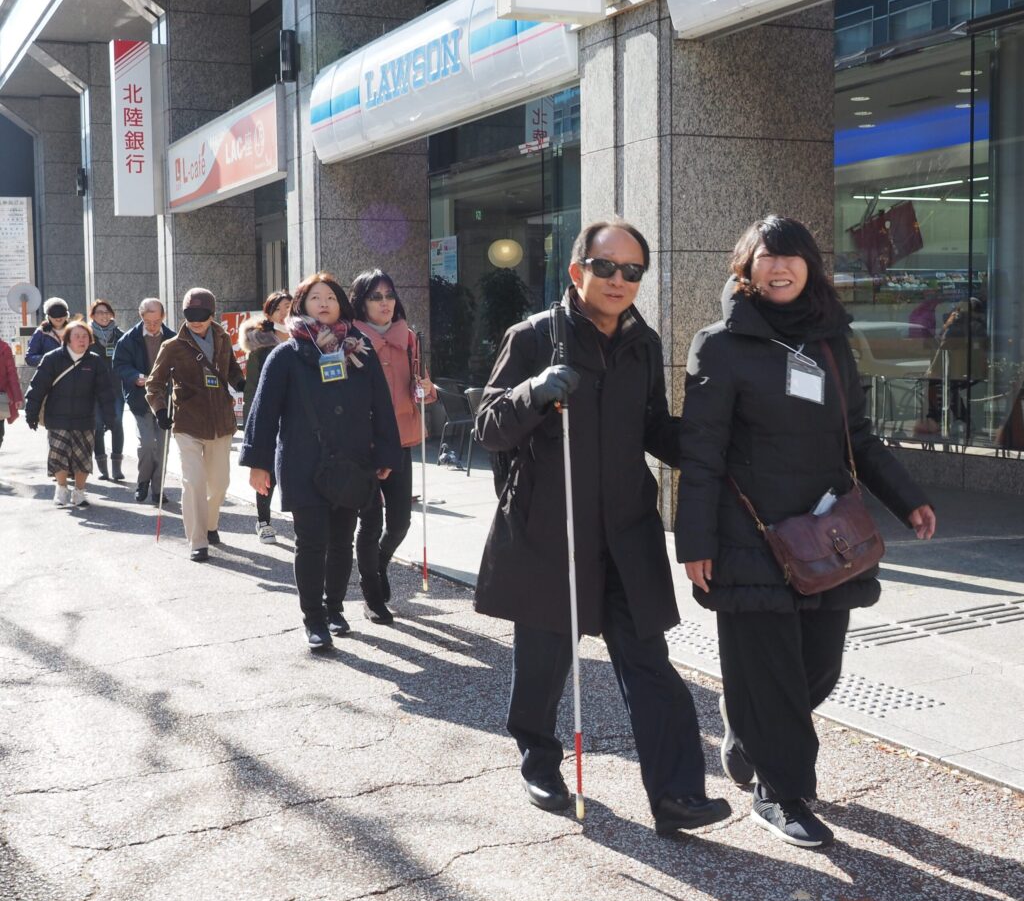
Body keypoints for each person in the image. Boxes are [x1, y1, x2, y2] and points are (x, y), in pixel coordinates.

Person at [675, 215, 937, 850]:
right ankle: (782, 792)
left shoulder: (829, 343)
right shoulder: (719, 344)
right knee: (771, 672)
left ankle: (746, 732)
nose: (781, 266)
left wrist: (907, 500)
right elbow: (701, 452)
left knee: (819, 666)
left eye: (793, 256)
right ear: (748, 266)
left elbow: (860, 438)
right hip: (750, 536)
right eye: (768, 256)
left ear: (810, 267)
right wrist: (695, 544)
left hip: (826, 537)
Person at [474, 220, 732, 837]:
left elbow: (652, 426)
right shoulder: (534, 337)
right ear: (576, 270)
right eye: (606, 266)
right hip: (550, 529)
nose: (619, 280)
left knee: (650, 663)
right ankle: (537, 754)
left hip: (628, 532)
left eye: (633, 270)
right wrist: (535, 392)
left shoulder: (642, 342)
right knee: (543, 660)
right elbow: (487, 425)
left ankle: (677, 795)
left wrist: (711, 447)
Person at [241, 272, 401, 649]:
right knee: (311, 542)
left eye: (330, 296)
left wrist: (386, 452)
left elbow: (381, 405)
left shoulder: (358, 349)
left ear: (342, 304)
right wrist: (258, 464)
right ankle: (313, 619)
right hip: (302, 461)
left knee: (342, 541)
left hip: (353, 461)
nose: (324, 303)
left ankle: (334, 608)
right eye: (315, 298)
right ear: (301, 306)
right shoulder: (285, 355)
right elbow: (262, 414)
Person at [350, 269, 436, 623]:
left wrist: (426, 391)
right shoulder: (347, 339)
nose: (385, 303)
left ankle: (379, 565)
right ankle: (372, 594)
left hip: (401, 437)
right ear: (361, 302)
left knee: (399, 522)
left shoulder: (410, 337)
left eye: (389, 295)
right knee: (369, 522)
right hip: (363, 443)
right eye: (375, 297)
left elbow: (424, 386)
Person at [146, 288, 245, 563]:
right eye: (190, 315)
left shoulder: (223, 338)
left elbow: (232, 367)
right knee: (194, 483)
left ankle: (211, 524)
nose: (196, 321)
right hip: (187, 423)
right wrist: (160, 410)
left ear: (212, 314)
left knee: (220, 484)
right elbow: (154, 385)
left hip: (222, 423)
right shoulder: (172, 346)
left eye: (201, 315)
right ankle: (197, 541)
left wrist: (240, 382)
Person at [23, 321, 115, 507]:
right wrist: (31, 413)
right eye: (77, 336)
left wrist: (109, 417)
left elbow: (105, 392)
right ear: (67, 340)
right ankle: (62, 488)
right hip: (57, 418)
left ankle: (80, 492)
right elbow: (37, 387)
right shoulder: (52, 358)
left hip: (85, 418)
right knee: (59, 456)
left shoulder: (95, 361)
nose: (82, 340)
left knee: (82, 458)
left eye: (85, 337)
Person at [238, 291, 291, 543]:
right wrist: (252, 423)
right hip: (270, 415)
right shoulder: (260, 343)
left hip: (295, 415)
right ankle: (264, 520)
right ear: (269, 312)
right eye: (281, 308)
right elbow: (254, 390)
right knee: (266, 468)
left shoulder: (304, 338)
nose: (286, 312)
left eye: (290, 307)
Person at [113, 298, 175, 503]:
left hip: (166, 401)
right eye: (148, 321)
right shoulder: (129, 339)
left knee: (163, 447)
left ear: (163, 317)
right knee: (147, 444)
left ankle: (158, 490)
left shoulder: (173, 338)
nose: (152, 326)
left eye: (156, 321)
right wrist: (135, 376)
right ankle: (142, 482)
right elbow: (120, 365)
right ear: (141, 317)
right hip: (141, 400)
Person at [87, 299, 126, 481]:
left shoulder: (120, 335)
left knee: (117, 422)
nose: (103, 315)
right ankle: (102, 467)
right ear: (92, 316)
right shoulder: (86, 335)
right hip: (93, 389)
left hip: (115, 387)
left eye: (106, 312)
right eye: (99, 312)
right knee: (97, 426)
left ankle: (117, 467)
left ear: (111, 314)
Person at [26, 297, 70, 366]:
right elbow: (29, 358)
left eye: (61, 313)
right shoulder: (41, 332)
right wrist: (50, 359)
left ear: (67, 315)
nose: (58, 318)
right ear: (48, 316)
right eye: (54, 314)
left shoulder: (74, 330)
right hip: (49, 374)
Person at [0, 338, 24, 451]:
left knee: (0, 435)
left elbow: (12, 374)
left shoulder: (4, 348)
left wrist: (17, 397)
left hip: (0, 399)